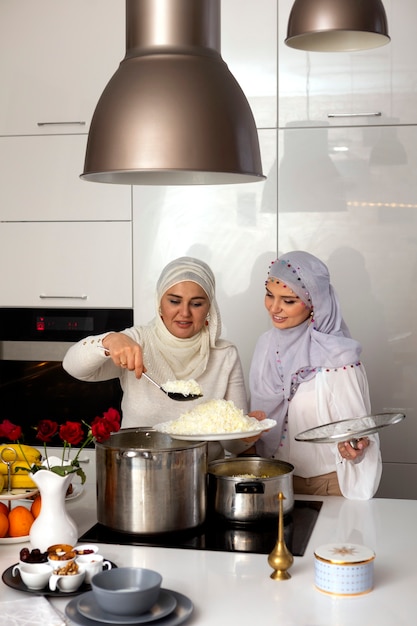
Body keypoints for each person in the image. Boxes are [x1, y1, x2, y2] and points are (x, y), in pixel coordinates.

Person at [63, 256, 252, 460]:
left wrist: (249, 432)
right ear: (159, 302)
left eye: (196, 303)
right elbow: (73, 367)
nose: (184, 313)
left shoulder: (225, 354)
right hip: (138, 471)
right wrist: (109, 341)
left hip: (203, 476)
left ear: (209, 308)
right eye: (174, 301)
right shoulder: (136, 341)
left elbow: (235, 445)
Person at [248, 250, 382, 499]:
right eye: (269, 295)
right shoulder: (266, 346)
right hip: (272, 481)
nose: (274, 308)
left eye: (288, 300)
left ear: (314, 303)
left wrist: (355, 446)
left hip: (327, 485)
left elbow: (358, 431)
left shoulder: (338, 357)